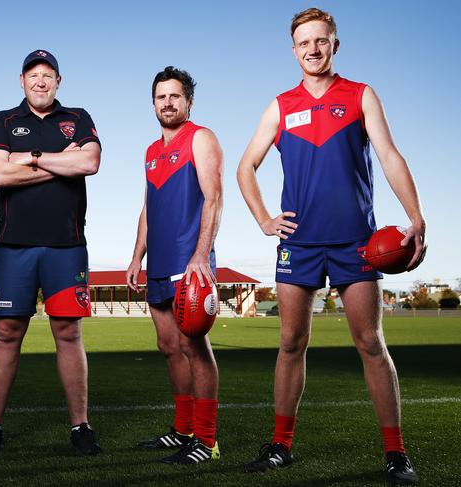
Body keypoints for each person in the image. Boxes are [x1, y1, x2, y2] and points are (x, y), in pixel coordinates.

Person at [236, 8, 425, 485]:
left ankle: (396, 453)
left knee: (370, 343)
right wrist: (263, 218)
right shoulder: (280, 106)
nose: (313, 50)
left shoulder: (360, 95)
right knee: (291, 343)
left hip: (355, 242)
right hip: (298, 243)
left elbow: (389, 156)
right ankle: (280, 445)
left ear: (335, 44)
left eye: (321, 41)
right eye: (304, 43)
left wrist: (416, 216)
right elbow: (245, 167)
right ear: (294, 50)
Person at [0, 49, 102, 457]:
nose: (41, 81)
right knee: (8, 334)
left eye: (48, 75)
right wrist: (63, 160)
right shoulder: (4, 120)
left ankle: (80, 427)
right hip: (15, 246)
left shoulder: (77, 117)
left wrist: (26, 159)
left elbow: (91, 161)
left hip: (67, 246)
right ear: (22, 80)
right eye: (34, 75)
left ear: (58, 81)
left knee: (68, 333)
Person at [126, 66, 223, 464]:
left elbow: (214, 198)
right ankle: (183, 431)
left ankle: (207, 440)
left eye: (175, 96)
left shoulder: (201, 138)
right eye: (161, 97)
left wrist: (202, 254)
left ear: (188, 102)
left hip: (190, 264)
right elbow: (148, 208)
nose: (167, 103)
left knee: (193, 347)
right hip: (159, 264)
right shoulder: (150, 152)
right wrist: (136, 256)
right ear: (153, 103)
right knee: (169, 347)